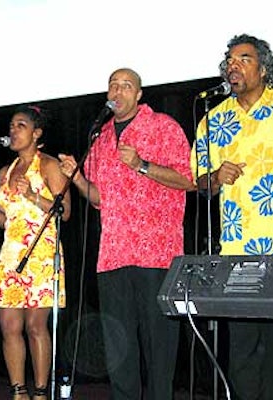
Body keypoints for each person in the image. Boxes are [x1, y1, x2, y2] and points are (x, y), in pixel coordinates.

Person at [59, 68, 195, 400]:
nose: (117, 91)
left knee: (159, 347)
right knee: (120, 350)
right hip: (113, 256)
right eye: (112, 85)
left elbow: (188, 180)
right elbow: (99, 199)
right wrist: (75, 179)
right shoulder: (101, 137)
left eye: (126, 86)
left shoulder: (164, 127)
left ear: (138, 95)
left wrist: (142, 165)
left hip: (156, 254)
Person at [192, 34, 273, 400]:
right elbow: (200, 183)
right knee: (243, 351)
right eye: (230, 60)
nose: (233, 65)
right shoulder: (213, 120)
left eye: (244, 59)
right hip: (236, 249)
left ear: (264, 68)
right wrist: (215, 177)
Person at [0, 105, 71, 400]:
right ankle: (19, 391)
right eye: (11, 126)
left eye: (20, 126)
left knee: (35, 326)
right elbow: (7, 222)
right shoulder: (6, 172)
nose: (12, 131)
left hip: (41, 253)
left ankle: (40, 392)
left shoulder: (50, 165)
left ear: (37, 133)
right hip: (11, 255)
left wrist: (31, 194)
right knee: (9, 326)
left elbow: (63, 212)